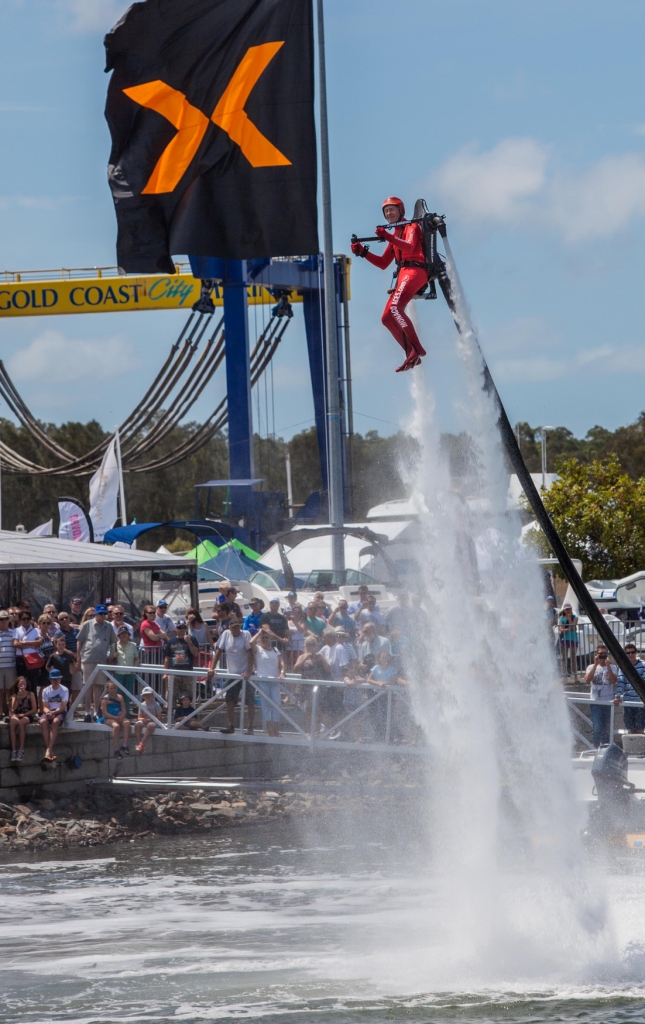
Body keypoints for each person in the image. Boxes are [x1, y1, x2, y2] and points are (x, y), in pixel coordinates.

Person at [351, 196, 427, 372]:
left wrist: (386, 236)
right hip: (404, 273)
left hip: (415, 271)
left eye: (392, 209)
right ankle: (411, 353)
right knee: (386, 317)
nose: (388, 213)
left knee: (394, 309)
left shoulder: (411, 227)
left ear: (401, 210)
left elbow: (409, 247)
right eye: (386, 211)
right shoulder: (395, 234)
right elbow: (383, 263)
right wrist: (363, 253)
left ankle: (417, 349)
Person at [209, 619, 254, 734]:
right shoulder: (225, 634)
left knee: (250, 701)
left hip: (246, 674)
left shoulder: (246, 634)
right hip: (232, 674)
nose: (236, 629)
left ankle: (250, 727)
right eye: (234, 627)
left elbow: (250, 654)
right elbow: (219, 652)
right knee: (229, 700)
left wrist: (248, 671)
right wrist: (212, 668)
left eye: (238, 627)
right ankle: (230, 726)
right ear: (230, 628)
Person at [77, 604, 117, 718]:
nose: (102, 616)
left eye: (104, 614)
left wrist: (112, 655)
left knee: (98, 687)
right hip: (88, 659)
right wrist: (78, 658)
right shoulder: (87, 624)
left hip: (102, 661)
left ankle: (96, 711)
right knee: (88, 686)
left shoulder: (109, 626)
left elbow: (113, 642)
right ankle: (87, 712)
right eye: (100, 614)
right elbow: (79, 641)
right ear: (96, 614)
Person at [251, 626, 285, 737]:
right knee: (266, 705)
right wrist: (259, 632)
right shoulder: (257, 649)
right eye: (263, 637)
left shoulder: (275, 649)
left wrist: (282, 672)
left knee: (277, 704)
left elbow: (281, 662)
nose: (264, 639)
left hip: (274, 680)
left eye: (266, 637)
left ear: (269, 638)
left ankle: (276, 729)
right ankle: (270, 729)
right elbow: (251, 642)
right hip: (263, 680)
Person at [294, 636, 331, 733]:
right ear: (305, 646)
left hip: (319, 686)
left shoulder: (320, 656)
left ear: (316, 645)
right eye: (308, 644)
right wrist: (305, 658)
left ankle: (318, 731)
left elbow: (328, 669)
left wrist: (321, 659)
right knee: (308, 709)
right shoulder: (302, 657)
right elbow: (296, 669)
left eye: (313, 644)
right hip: (306, 687)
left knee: (319, 709)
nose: (311, 646)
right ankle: (310, 731)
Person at [585, 644, 617, 748]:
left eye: (605, 654)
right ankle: (595, 748)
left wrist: (608, 667)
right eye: (600, 654)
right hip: (596, 701)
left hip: (608, 701)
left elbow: (613, 681)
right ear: (596, 654)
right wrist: (595, 664)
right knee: (597, 727)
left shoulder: (613, 667)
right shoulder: (590, 667)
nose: (603, 656)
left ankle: (605, 748)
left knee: (607, 728)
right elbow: (587, 680)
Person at [39, 668, 69, 762]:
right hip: (50, 710)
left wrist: (53, 713)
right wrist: (48, 712)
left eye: (58, 679)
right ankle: (50, 750)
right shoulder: (46, 690)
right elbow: (45, 707)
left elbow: (63, 707)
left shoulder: (65, 690)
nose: (56, 681)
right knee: (42, 721)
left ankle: (48, 749)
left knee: (55, 722)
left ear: (60, 679)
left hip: (59, 711)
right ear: (50, 680)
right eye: (54, 679)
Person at [614, 644, 645, 733]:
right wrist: (618, 696)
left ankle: (640, 743)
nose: (630, 654)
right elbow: (621, 682)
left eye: (632, 652)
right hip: (627, 701)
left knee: (640, 729)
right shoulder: (622, 666)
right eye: (628, 653)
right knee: (631, 729)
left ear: (636, 652)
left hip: (640, 702)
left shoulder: (643, 665)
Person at [53, 611, 81, 708]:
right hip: (65, 663)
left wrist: (78, 656)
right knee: (65, 687)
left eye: (66, 617)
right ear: (59, 621)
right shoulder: (58, 633)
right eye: (61, 619)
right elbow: (58, 646)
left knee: (77, 687)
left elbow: (81, 643)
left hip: (77, 662)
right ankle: (64, 708)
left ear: (69, 618)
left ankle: (72, 708)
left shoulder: (76, 631)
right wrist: (72, 654)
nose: (64, 620)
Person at [163, 620, 199, 693]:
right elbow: (167, 658)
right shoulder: (171, 641)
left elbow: (196, 654)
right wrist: (165, 673)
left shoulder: (192, 639)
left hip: (187, 673)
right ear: (176, 629)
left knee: (187, 696)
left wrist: (189, 642)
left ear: (186, 629)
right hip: (173, 673)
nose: (182, 630)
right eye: (180, 628)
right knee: (171, 695)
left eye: (184, 627)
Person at [13, 610, 44, 694]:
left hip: (33, 660)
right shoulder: (16, 630)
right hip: (21, 660)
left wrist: (24, 643)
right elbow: (16, 644)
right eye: (23, 619)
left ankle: (33, 702)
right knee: (22, 685)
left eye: (28, 618)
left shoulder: (35, 630)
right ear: (20, 620)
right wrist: (32, 644)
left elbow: (39, 642)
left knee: (33, 685)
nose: (26, 620)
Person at [9, 676, 37, 761]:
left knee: (21, 723)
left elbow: (34, 709)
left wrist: (23, 714)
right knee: (12, 723)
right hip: (17, 714)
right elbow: (13, 708)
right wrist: (17, 697)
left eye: (24, 683)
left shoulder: (30, 694)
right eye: (21, 683)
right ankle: (14, 750)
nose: (22, 685)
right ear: (17, 685)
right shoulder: (14, 695)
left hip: (27, 714)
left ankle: (21, 750)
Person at [100, 679, 131, 758]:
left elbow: (124, 710)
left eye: (114, 688)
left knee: (127, 723)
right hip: (109, 718)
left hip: (119, 716)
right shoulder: (105, 699)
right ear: (107, 689)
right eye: (111, 688)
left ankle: (124, 745)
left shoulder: (120, 697)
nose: (113, 690)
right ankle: (116, 749)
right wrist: (115, 718)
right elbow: (105, 713)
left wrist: (121, 717)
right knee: (116, 726)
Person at [114, 625, 139, 714]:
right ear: (119, 635)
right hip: (118, 673)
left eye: (126, 633)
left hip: (129, 673)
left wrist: (134, 668)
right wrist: (113, 656)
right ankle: (118, 713)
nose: (124, 635)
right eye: (122, 634)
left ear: (128, 635)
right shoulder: (114, 645)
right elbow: (110, 660)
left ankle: (126, 714)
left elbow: (136, 659)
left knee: (127, 694)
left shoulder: (133, 645)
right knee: (118, 694)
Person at [134, 686, 162, 754]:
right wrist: (143, 719)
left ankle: (141, 743)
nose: (147, 696)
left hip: (154, 721)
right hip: (145, 720)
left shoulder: (156, 704)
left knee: (150, 725)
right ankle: (139, 743)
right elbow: (139, 717)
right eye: (145, 695)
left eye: (149, 694)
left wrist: (152, 719)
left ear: (152, 695)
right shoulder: (142, 704)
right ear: (143, 696)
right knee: (137, 725)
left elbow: (159, 716)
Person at [0, 609, 16, 718]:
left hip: (11, 665)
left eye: (6, 618)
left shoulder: (13, 633)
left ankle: (11, 711)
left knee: (10, 690)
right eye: (1, 619)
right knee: (0, 690)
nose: (4, 621)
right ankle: (0, 711)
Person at [558, 603, 579, 679]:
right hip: (565, 639)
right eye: (566, 609)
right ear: (564, 610)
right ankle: (564, 676)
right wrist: (570, 628)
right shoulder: (561, 619)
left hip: (573, 639)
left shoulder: (575, 617)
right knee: (564, 658)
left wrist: (570, 618)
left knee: (573, 658)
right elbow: (561, 629)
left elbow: (573, 626)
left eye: (569, 609)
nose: (568, 610)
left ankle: (575, 676)